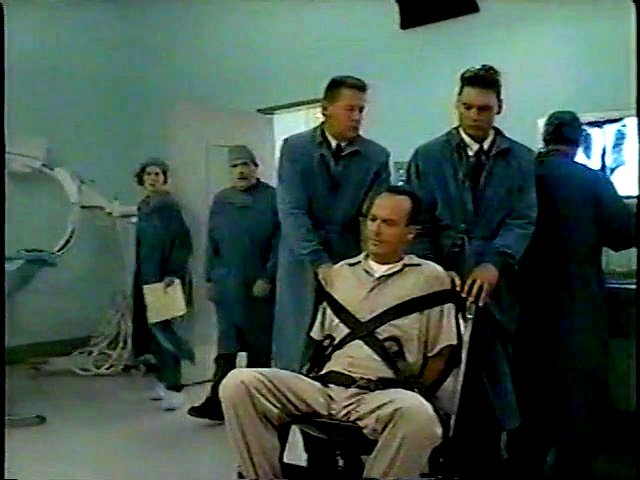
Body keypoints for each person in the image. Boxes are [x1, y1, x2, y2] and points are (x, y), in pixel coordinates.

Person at [219, 187, 460, 479]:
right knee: (239, 383)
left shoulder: (431, 278)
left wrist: (413, 391)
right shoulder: (340, 274)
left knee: (420, 417)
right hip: (324, 389)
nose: (376, 230)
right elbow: (319, 345)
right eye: (372, 220)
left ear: (410, 233)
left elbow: (441, 355)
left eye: (388, 223)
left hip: (381, 395)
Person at [404, 64, 537, 475]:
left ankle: (490, 457)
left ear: (500, 108)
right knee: (441, 369)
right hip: (441, 284)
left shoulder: (520, 159)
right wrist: (436, 273)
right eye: (467, 107)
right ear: (456, 105)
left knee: (493, 373)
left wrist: (495, 262)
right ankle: (438, 453)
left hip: (497, 286)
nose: (475, 116)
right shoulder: (428, 157)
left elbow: (522, 218)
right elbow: (419, 223)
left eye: (484, 108)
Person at [508, 111, 636, 479]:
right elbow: (623, 234)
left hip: (524, 307)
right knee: (575, 405)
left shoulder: (520, 177)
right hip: (577, 308)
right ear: (580, 141)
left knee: (527, 400)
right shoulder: (591, 180)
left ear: (545, 138)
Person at [274, 75, 391, 372]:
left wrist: (371, 265)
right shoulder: (296, 149)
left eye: (361, 110)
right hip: (302, 259)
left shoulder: (375, 157)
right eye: (349, 109)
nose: (357, 117)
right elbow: (292, 211)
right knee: (296, 342)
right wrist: (317, 260)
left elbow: (373, 215)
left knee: (346, 338)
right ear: (326, 109)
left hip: (348, 258)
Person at [187, 145, 280, 422]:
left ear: (255, 167)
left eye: (245, 164)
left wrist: (268, 276)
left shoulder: (272, 199)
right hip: (227, 285)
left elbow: (280, 243)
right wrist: (209, 277)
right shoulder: (222, 200)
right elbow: (212, 241)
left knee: (258, 351)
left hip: (258, 287)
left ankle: (255, 405)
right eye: (235, 165)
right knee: (226, 349)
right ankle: (216, 402)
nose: (241, 170)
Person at [131, 158, 195, 411]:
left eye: (157, 174)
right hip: (146, 275)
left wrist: (173, 272)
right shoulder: (144, 206)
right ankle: (162, 381)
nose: (153, 178)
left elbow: (182, 242)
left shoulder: (168, 207)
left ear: (164, 178)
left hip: (164, 278)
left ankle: (175, 387)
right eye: (148, 174)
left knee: (165, 332)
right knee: (152, 333)